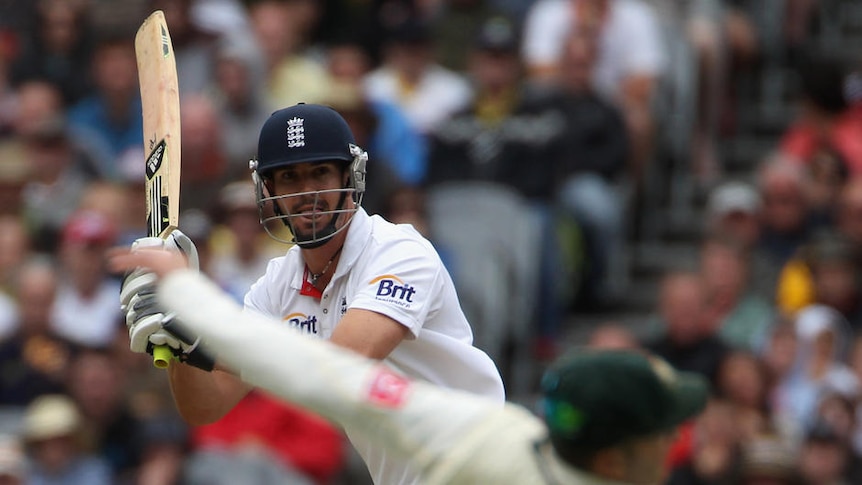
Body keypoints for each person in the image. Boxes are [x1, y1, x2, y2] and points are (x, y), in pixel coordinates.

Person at [119, 103, 505, 485]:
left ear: (350, 174)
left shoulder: (400, 251)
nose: (307, 193)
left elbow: (338, 365)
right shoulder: (276, 285)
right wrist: (176, 344)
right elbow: (206, 406)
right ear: (267, 189)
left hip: (483, 461)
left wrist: (194, 318)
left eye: (320, 172)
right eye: (289, 177)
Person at [109, 246, 709, 485]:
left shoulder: (491, 437)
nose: (674, 441)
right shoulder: (484, 436)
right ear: (613, 459)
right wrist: (185, 326)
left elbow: (325, 376)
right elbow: (324, 371)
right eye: (661, 432)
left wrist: (187, 300)